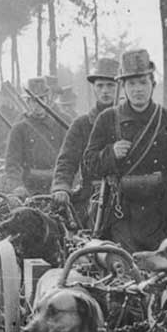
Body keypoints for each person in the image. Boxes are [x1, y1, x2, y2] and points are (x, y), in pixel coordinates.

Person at [82, 49, 167, 252]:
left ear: (153, 84)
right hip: (121, 215)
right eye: (131, 83)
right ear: (123, 87)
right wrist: (110, 153)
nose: (138, 89)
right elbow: (89, 164)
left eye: (143, 82)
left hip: (162, 213)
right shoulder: (107, 119)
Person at [51, 57, 119, 227]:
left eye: (111, 85)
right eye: (100, 86)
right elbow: (67, 161)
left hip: (129, 197)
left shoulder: (133, 122)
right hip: (91, 197)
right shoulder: (81, 125)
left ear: (121, 86)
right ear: (94, 88)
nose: (105, 91)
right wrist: (61, 186)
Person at [4, 77, 66, 197]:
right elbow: (12, 164)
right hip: (29, 189)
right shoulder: (19, 129)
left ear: (47, 100)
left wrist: (64, 187)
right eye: (33, 100)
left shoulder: (60, 126)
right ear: (27, 102)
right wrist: (17, 186)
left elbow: (70, 159)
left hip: (57, 187)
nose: (37, 104)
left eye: (41, 99)